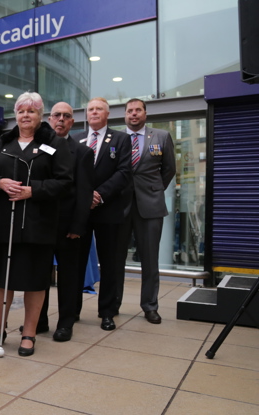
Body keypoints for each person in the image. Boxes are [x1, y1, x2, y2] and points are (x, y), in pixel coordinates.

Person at [0, 92, 72, 356]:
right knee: (1, 281)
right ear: (15, 115)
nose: (26, 115)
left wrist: (34, 190)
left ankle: (29, 333)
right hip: (3, 224)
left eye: (31, 111)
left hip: (37, 225)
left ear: (40, 115)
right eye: (21, 111)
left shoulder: (54, 143)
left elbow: (65, 183)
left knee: (34, 280)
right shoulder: (4, 142)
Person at [35, 102, 95, 342]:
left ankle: (65, 323)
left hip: (68, 225)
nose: (61, 119)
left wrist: (78, 226)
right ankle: (38, 322)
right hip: (40, 224)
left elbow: (85, 193)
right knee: (39, 275)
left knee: (69, 277)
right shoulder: (37, 149)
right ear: (49, 119)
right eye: (56, 115)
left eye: (66, 116)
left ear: (72, 122)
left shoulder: (83, 152)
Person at [72, 97, 132, 331]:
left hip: (109, 209)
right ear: (86, 115)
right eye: (90, 109)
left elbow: (124, 172)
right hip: (81, 212)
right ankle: (72, 310)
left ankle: (107, 311)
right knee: (76, 263)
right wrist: (85, 196)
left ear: (107, 114)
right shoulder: (77, 139)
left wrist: (98, 194)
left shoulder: (121, 139)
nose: (94, 112)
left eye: (99, 109)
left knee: (110, 263)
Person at [118, 98, 176, 324]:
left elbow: (169, 169)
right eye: (130, 111)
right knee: (116, 259)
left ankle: (150, 306)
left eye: (138, 110)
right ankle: (113, 304)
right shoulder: (118, 138)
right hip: (120, 206)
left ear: (145, 113)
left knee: (150, 260)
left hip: (150, 206)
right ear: (125, 115)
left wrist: (154, 189)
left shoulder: (161, 137)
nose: (134, 114)